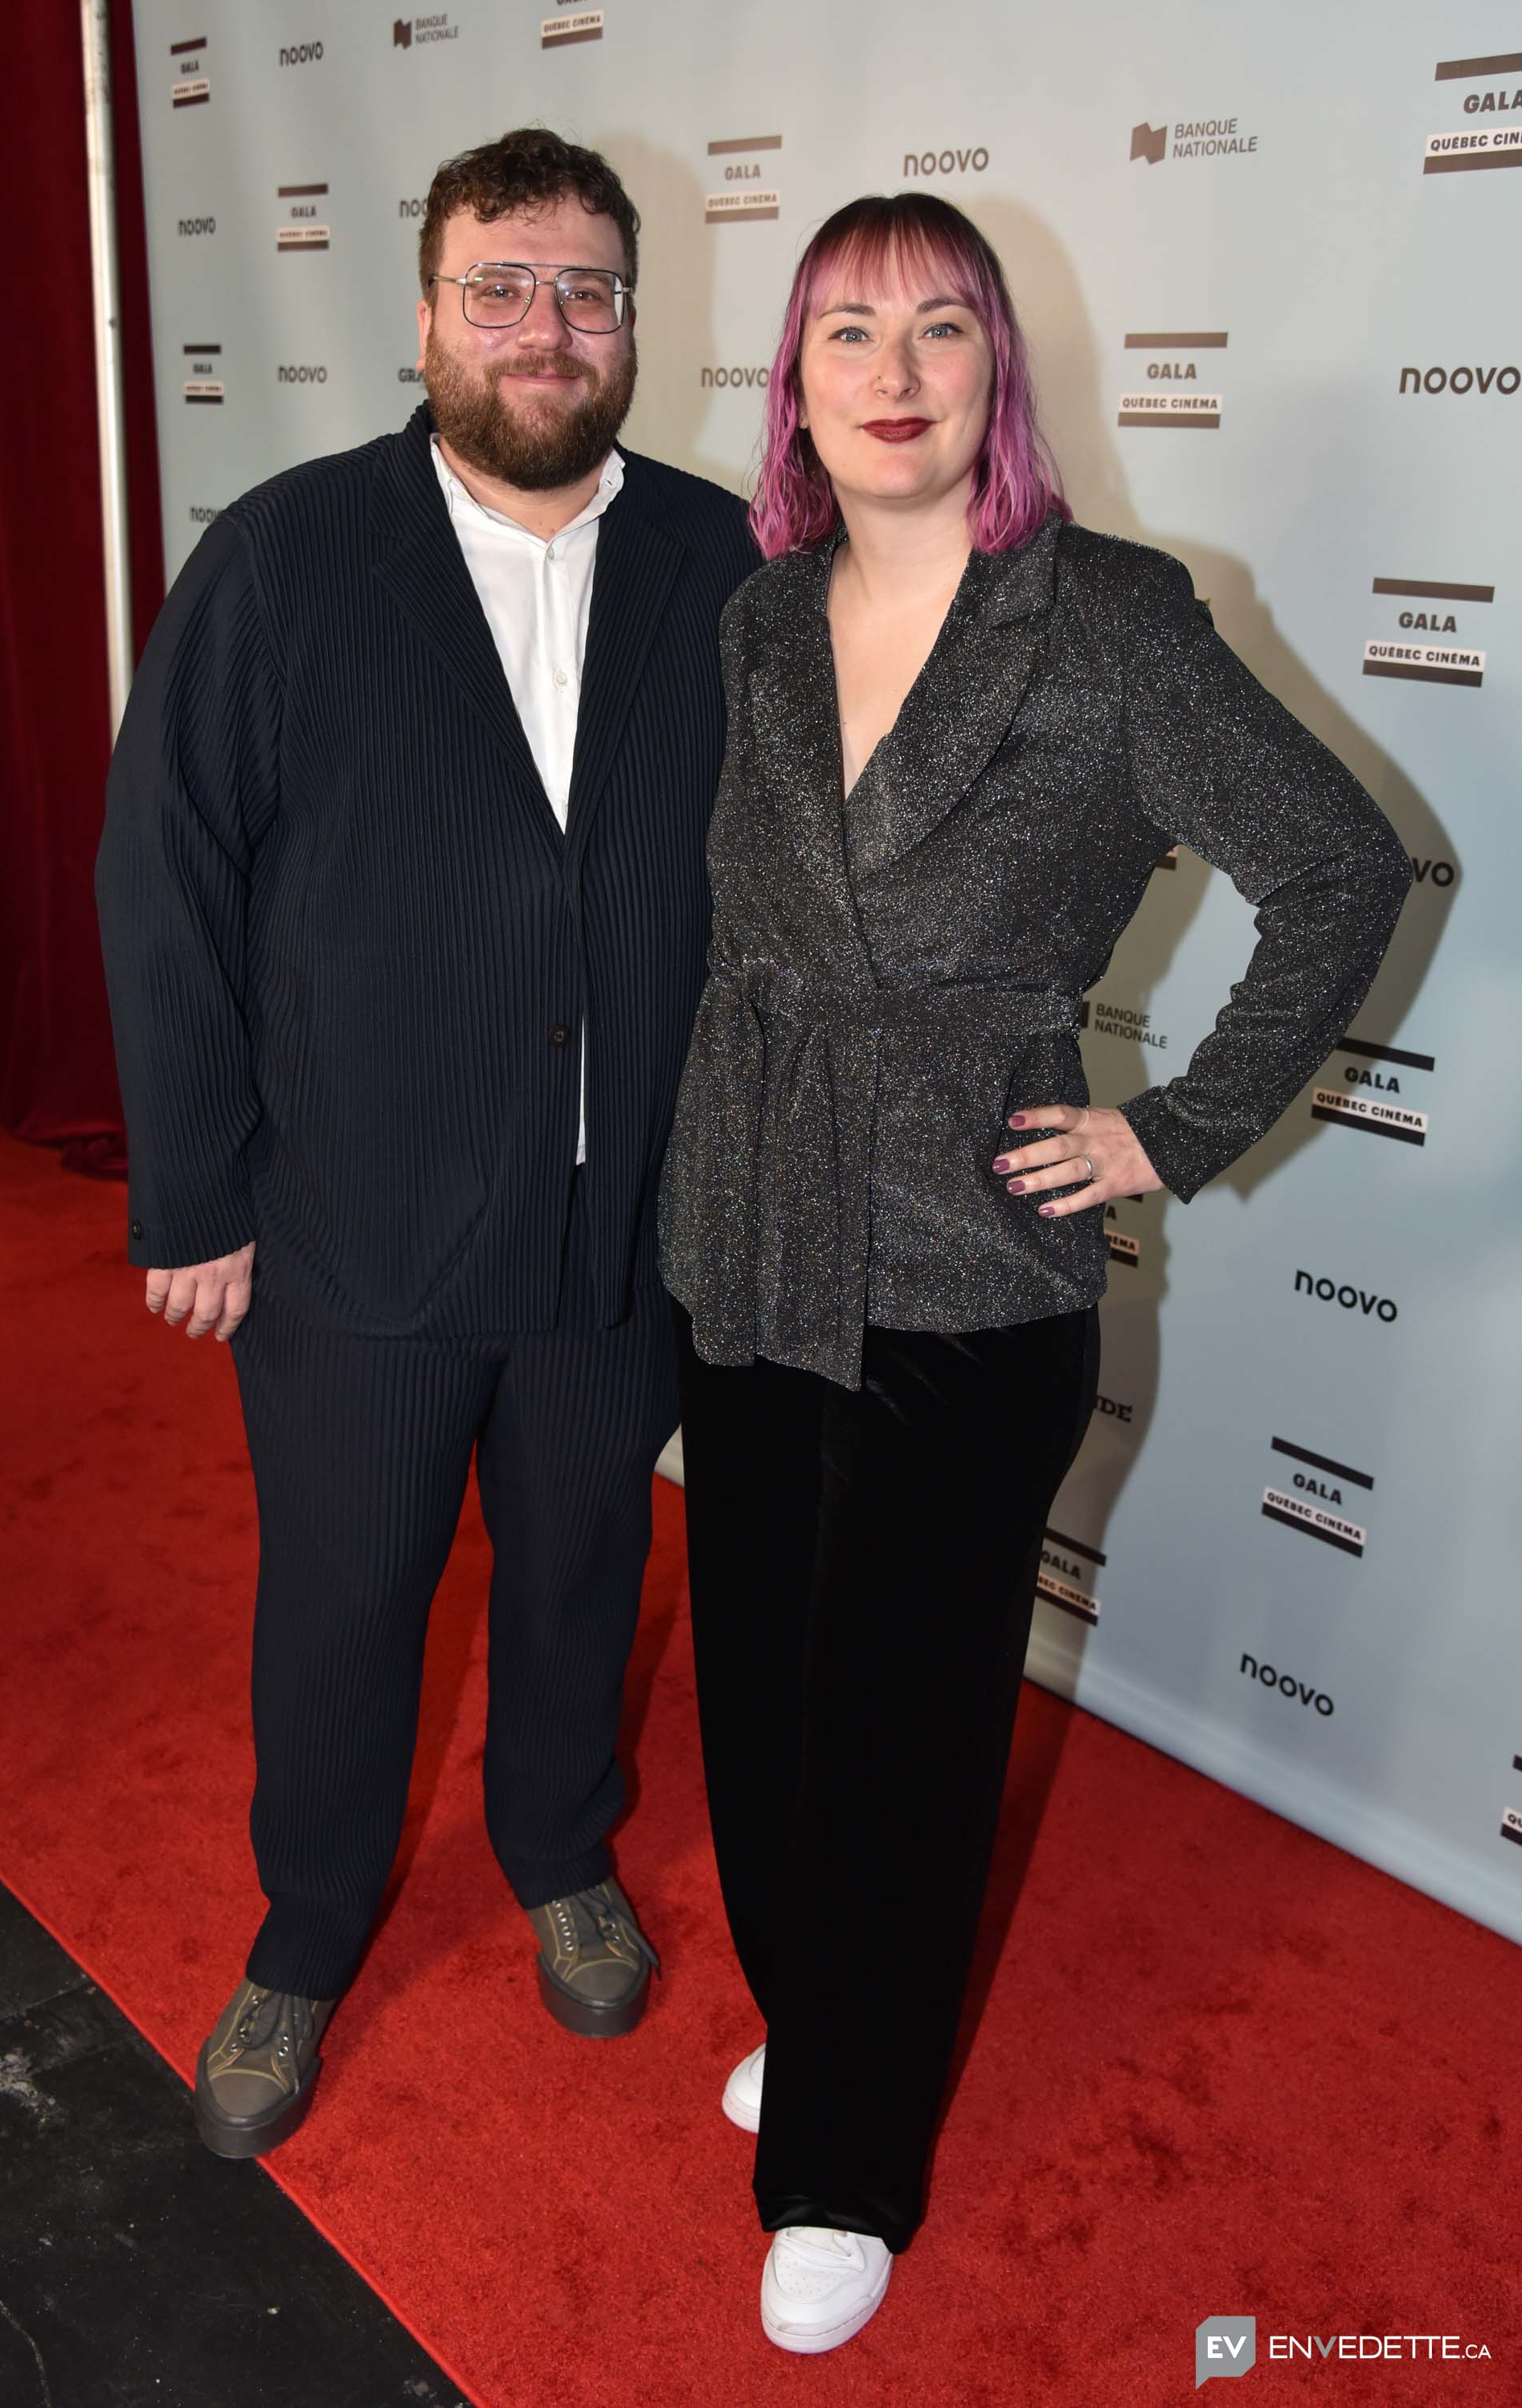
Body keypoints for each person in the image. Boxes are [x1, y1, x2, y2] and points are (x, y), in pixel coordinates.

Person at [657, 190, 1413, 2353]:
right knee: (762, 1695)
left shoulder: (1106, 622)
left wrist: (1164, 1127)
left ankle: (847, 2162)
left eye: (938, 333)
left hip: (969, 1265)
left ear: (998, 374)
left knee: (897, 1729)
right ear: (795, 388)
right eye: (842, 336)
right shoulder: (759, 615)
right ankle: (828, 2026)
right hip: (751, 1224)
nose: (890, 373)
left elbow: (1336, 864)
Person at [96, 128, 757, 2160]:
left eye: (586, 291)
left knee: (579, 1576)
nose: (546, 328)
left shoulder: (733, 566)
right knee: (345, 1597)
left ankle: (560, 1850)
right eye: (502, 286)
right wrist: (194, 1185)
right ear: (428, 314)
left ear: (634, 320)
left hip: (618, 1234)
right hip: (350, 1232)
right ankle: (303, 1938)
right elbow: (164, 873)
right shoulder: (289, 553)